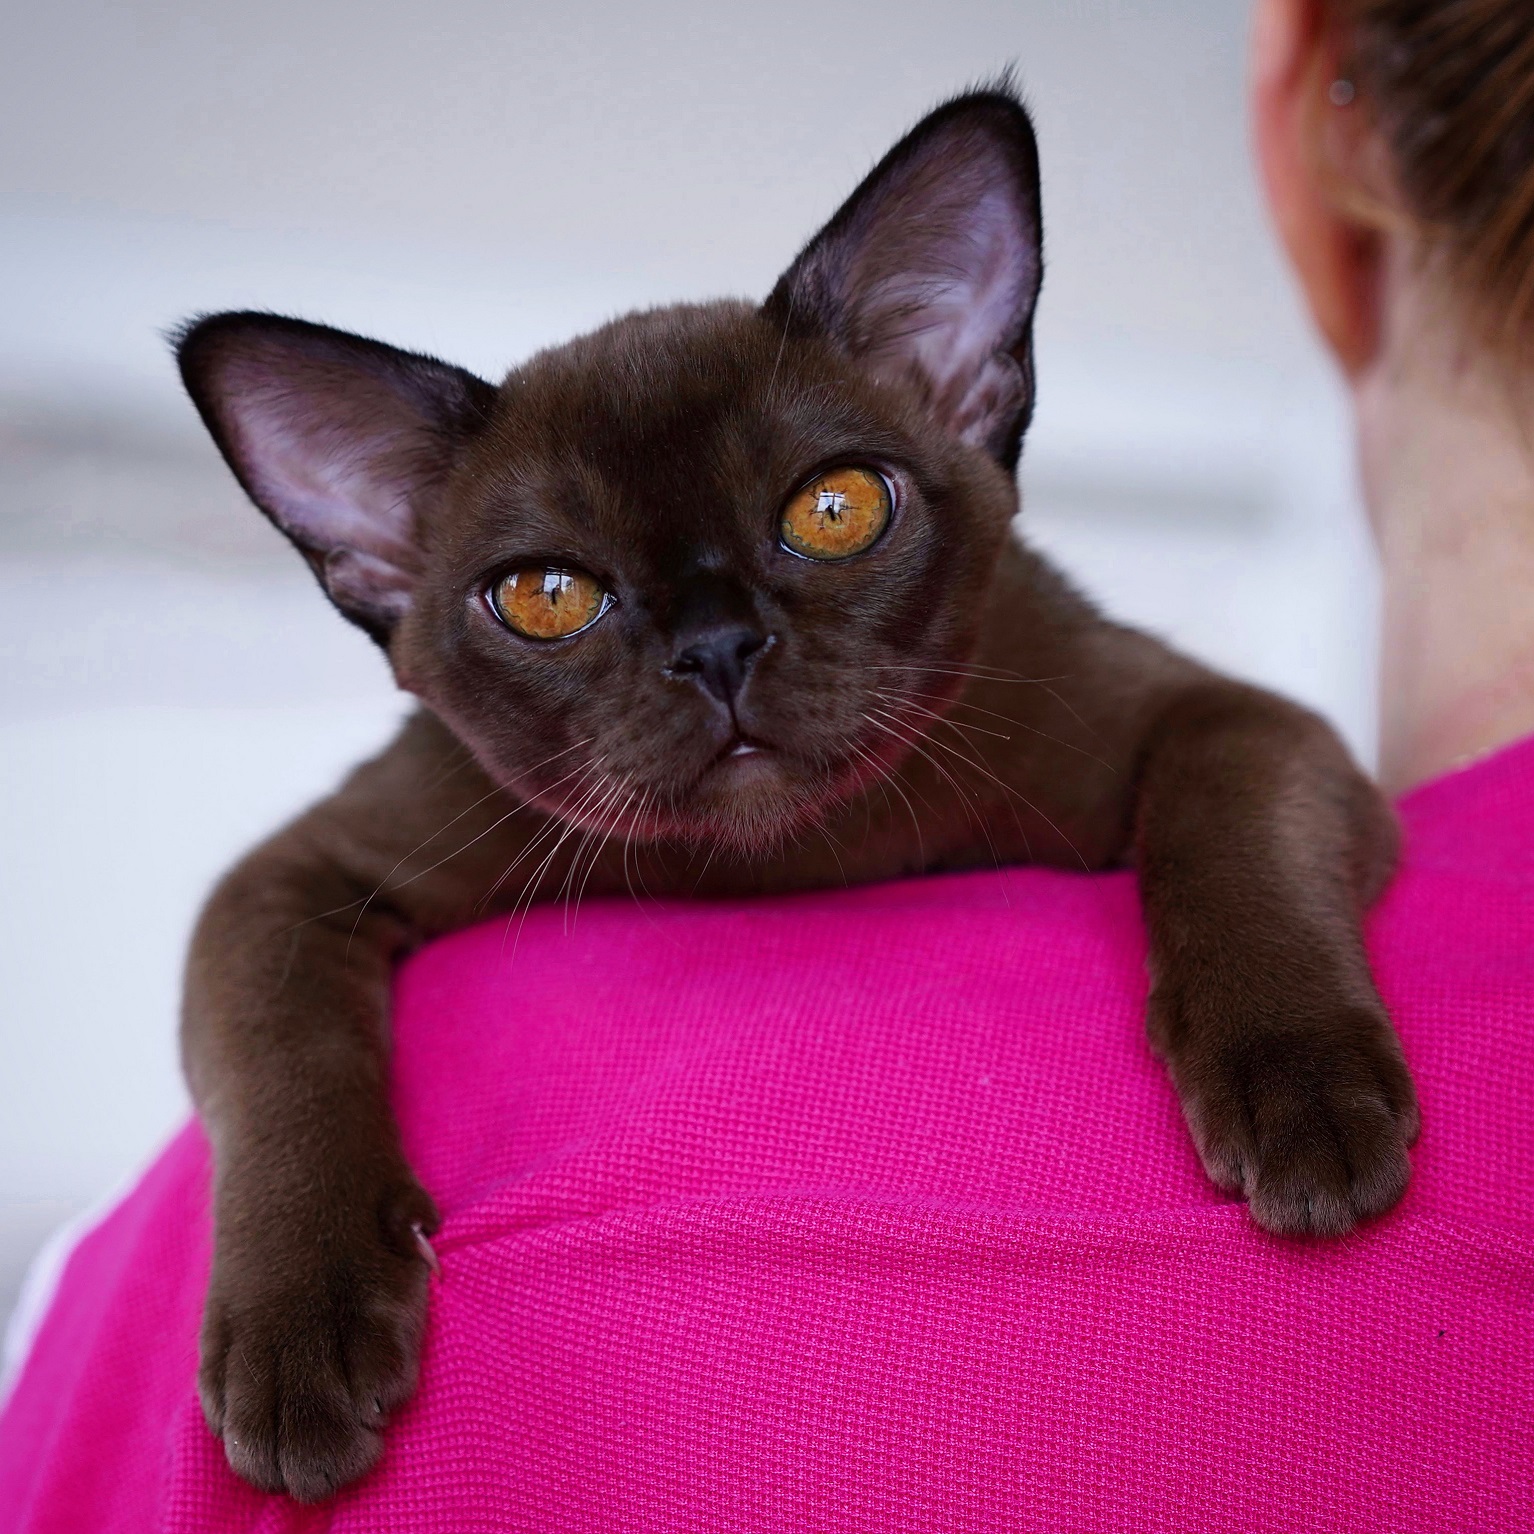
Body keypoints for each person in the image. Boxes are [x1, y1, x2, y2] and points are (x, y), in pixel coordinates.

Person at [2, 2, 1530, 1527]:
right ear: (382, 574)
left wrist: (1263, 989)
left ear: (962, 392)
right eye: (552, 596)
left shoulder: (1021, 670)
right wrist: (301, 1204)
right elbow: (281, 904)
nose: (719, 654)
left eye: (831, 519)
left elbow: (1236, 739)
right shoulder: (461, 790)